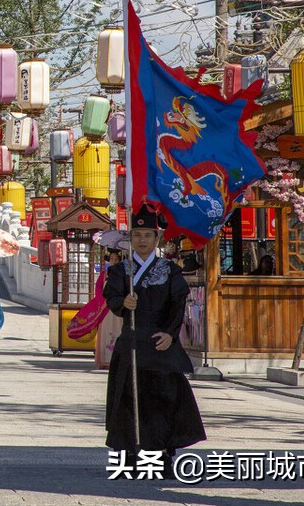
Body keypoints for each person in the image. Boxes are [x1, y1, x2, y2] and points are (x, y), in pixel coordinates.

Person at [104, 205, 206, 478]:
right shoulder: (120, 271)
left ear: (156, 238)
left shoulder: (168, 270)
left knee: (164, 400)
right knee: (127, 400)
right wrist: (123, 303)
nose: (142, 240)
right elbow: (111, 299)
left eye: (148, 235)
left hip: (160, 342)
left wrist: (170, 334)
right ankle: (129, 458)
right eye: (137, 234)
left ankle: (161, 457)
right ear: (131, 238)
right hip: (132, 342)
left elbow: (178, 304)